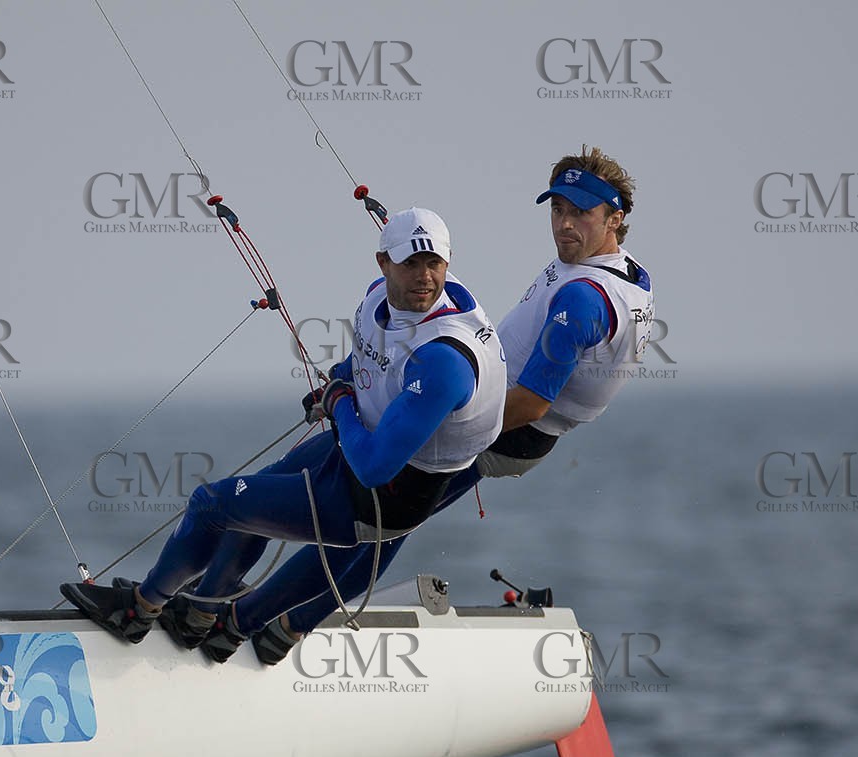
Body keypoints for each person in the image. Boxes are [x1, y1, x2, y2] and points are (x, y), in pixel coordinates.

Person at [227, 146, 657, 665]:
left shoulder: (583, 298)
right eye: (558, 209)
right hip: (491, 413)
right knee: (375, 524)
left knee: (375, 527)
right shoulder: (627, 274)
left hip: (504, 426)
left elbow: (533, 404)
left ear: (615, 218)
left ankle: (254, 622)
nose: (564, 225)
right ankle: (266, 614)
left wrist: (438, 418)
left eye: (581, 213)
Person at [61, 207, 507, 651]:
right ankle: (202, 615)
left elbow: (374, 467)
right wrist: (340, 379)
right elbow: (372, 355)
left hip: (376, 498)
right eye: (411, 263)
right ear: (383, 263)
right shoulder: (380, 298)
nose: (425, 277)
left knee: (210, 504)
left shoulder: (444, 361)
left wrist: (339, 401)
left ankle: (138, 611)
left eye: (434, 263)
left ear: (448, 261)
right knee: (252, 501)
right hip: (353, 449)